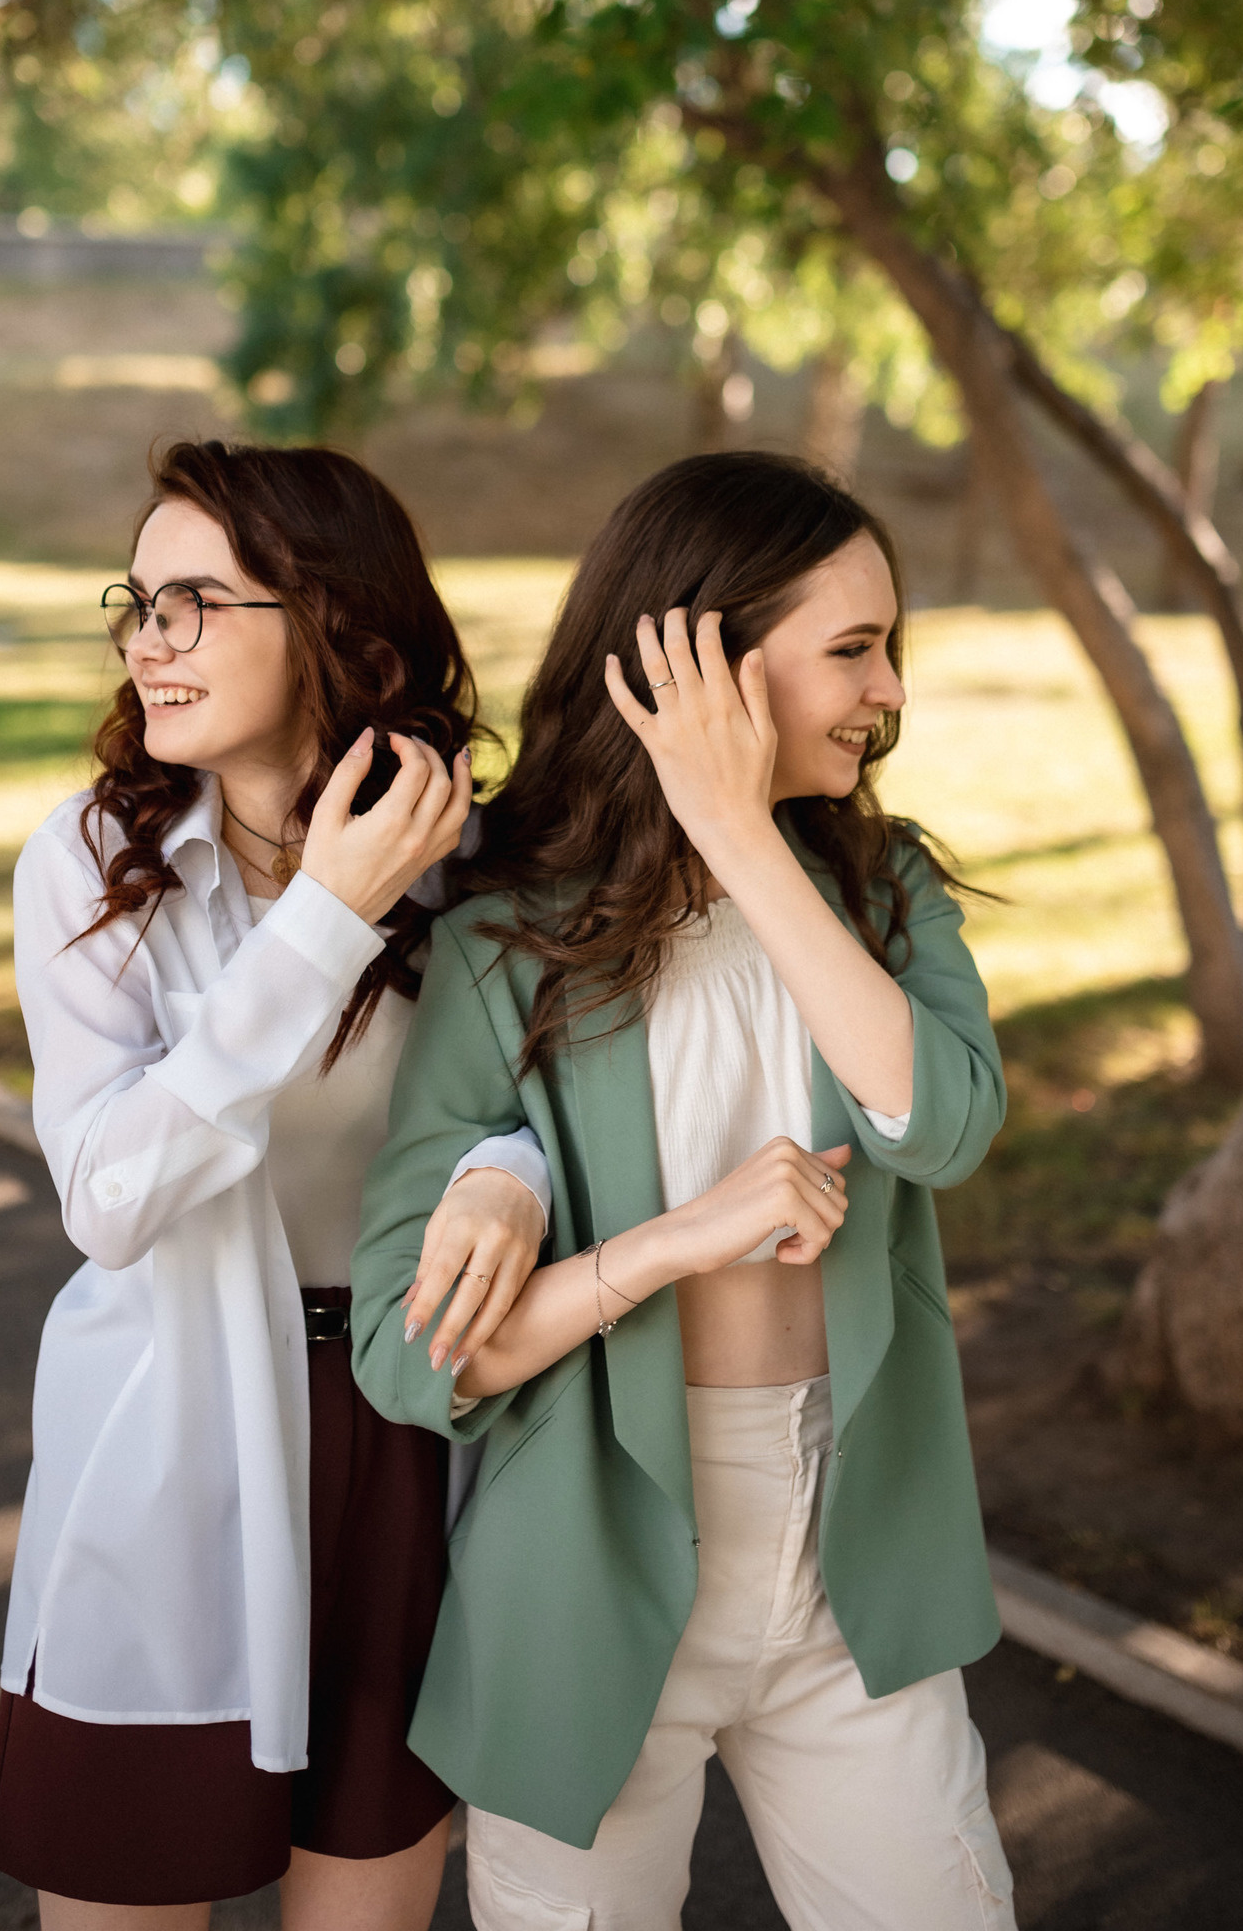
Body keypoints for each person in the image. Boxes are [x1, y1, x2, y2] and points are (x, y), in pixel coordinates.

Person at [352, 450, 1016, 1931]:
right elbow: (411, 1356)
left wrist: (731, 829)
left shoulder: (882, 894)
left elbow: (939, 1125)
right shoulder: (502, 941)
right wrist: (669, 1243)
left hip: (856, 1567)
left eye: (886, 646)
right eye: (852, 648)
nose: (889, 690)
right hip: (581, 1579)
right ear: (700, 661)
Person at [0, 439, 552, 1931]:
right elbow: (109, 1197)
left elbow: (540, 1106)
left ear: (332, 623)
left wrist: (511, 1168)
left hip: (411, 1424)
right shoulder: (93, 860)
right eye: (137, 603)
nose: (145, 643)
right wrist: (323, 921)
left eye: (194, 604)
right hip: (170, 1431)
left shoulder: (473, 862)